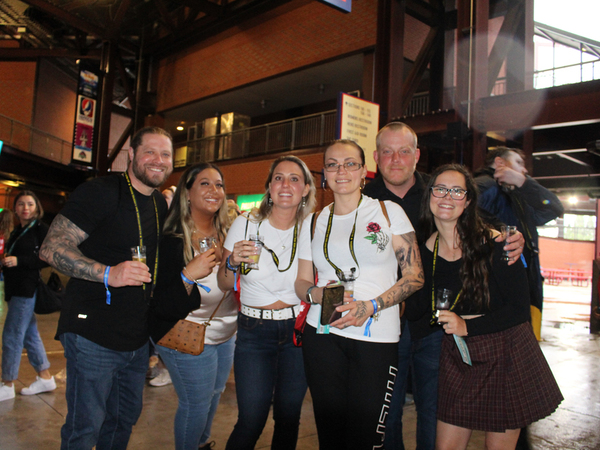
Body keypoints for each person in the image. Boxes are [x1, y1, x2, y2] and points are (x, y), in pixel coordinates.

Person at [363, 122, 525, 450]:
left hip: (437, 327)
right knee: (385, 413)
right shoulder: (363, 201)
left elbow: (480, 221)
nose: (396, 159)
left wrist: (512, 236)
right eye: (387, 152)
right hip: (385, 322)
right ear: (376, 158)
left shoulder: (438, 189)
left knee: (436, 412)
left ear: (417, 155)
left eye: (404, 151)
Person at [39, 126, 173, 449]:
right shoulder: (100, 191)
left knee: (123, 421)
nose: (158, 160)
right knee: (86, 427)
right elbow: (51, 248)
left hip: (136, 338)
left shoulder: (159, 204)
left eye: (166, 154)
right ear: (131, 153)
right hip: (92, 333)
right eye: (150, 152)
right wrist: (107, 273)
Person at [413, 163, 562, 450]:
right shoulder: (425, 250)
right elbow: (419, 310)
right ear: (429, 195)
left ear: (468, 201)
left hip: (506, 351)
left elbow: (519, 310)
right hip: (460, 354)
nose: (447, 196)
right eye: (440, 189)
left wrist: (467, 325)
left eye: (457, 191)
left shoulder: (497, 243)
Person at [294, 139, 424, 449]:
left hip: (376, 337)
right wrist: (316, 293)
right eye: (333, 165)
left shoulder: (388, 212)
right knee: (330, 436)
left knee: (367, 436)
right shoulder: (313, 221)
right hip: (323, 334)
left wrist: (371, 305)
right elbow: (300, 282)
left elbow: (415, 276)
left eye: (350, 164)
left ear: (364, 171)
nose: (341, 171)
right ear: (324, 173)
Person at [218, 155, 316, 450]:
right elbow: (224, 283)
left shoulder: (312, 228)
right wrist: (232, 262)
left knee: (288, 418)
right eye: (278, 178)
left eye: (294, 179)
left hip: (297, 331)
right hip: (254, 331)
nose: (285, 185)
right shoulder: (245, 224)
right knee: (251, 419)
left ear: (306, 189)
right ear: (269, 187)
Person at [150, 163, 238, 450]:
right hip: (186, 330)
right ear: (186, 193)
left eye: (219, 185)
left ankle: (201, 444)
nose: (214, 190)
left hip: (227, 330)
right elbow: (161, 304)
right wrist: (188, 274)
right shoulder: (171, 240)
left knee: (214, 394)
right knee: (196, 403)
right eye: (205, 183)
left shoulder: (230, 233)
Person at [475, 147, 564, 341]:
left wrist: (523, 182)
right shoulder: (486, 186)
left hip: (523, 279)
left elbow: (554, 207)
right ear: (500, 163)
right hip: (497, 285)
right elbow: (464, 213)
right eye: (518, 163)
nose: (523, 169)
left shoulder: (517, 194)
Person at [0, 191, 56, 402]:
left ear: (37, 207)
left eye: (30, 204)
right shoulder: (17, 230)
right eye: (21, 204)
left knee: (12, 335)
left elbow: (49, 257)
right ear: (15, 208)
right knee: (28, 334)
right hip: (14, 289)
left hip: (26, 289)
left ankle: (7, 383)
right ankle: (45, 377)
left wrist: (19, 261)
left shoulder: (40, 229)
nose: (25, 208)